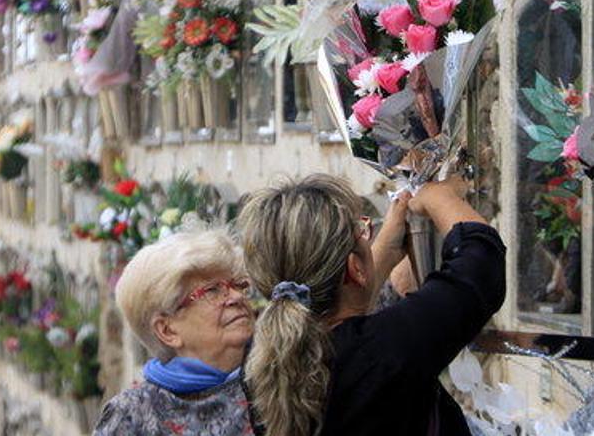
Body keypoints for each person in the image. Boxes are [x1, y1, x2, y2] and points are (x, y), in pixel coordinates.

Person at [237, 174, 506, 436]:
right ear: (355, 268)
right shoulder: (385, 349)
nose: (369, 238)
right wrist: (439, 196)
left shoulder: (264, 358)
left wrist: (379, 257)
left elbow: (342, 327)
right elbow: (480, 264)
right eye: (363, 232)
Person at [93, 229, 255, 436]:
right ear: (167, 330)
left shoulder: (280, 382)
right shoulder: (132, 416)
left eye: (238, 285)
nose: (236, 296)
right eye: (213, 290)